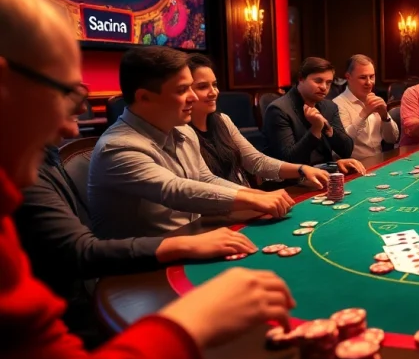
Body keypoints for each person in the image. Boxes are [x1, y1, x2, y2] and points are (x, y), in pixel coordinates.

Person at [0, 0, 294, 359]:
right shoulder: (115, 147)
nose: (72, 129)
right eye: (68, 97)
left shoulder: (177, 131)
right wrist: (187, 326)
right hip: (136, 277)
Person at [15, 102, 260, 345]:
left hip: (72, 304)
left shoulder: (41, 156)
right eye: (68, 91)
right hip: (69, 320)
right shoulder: (116, 145)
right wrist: (184, 246)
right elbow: (79, 251)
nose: (81, 109)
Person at [89, 48, 296, 239]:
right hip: (141, 266)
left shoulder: (183, 130)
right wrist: (252, 200)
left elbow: (205, 178)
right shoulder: (117, 146)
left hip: (193, 238)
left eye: (191, 87)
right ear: (144, 97)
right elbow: (174, 189)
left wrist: (257, 195)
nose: (193, 96)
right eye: (182, 90)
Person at [187, 55, 343, 187]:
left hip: (243, 200)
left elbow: (256, 161)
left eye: (214, 85)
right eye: (202, 87)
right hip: (226, 207)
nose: (213, 92)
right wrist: (254, 197)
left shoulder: (223, 120)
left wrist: (301, 169)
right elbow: (205, 182)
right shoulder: (180, 131)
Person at [262, 57, 354, 165]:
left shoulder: (330, 107)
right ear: (301, 79)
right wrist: (315, 129)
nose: (324, 87)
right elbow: (288, 160)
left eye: (328, 82)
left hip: (326, 173)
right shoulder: (278, 110)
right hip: (294, 179)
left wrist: (329, 130)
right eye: (318, 81)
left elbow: (347, 151)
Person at [333, 54, 399, 161]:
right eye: (363, 77)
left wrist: (384, 116)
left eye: (371, 76)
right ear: (348, 77)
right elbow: (341, 145)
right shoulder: (337, 104)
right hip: (354, 167)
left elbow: (392, 139)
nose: (369, 83)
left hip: (379, 163)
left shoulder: (375, 99)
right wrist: (364, 114)